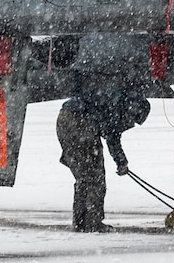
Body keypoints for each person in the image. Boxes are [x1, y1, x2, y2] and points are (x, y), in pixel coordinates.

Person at [56, 90, 151, 232]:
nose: (131, 124)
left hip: (64, 119)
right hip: (80, 122)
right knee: (96, 177)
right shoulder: (118, 107)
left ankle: (81, 221)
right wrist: (121, 162)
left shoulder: (115, 99)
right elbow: (112, 138)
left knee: (84, 178)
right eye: (133, 120)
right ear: (132, 110)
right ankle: (93, 223)